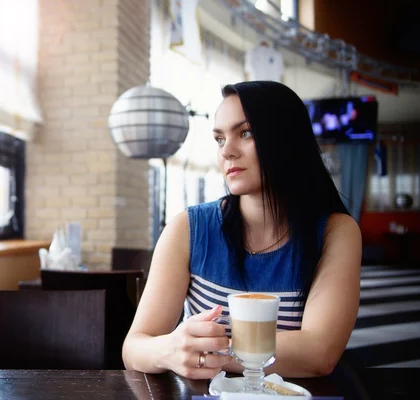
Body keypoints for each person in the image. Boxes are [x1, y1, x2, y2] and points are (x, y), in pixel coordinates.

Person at [122, 81, 362, 380]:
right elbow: (135, 347)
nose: (227, 152)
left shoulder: (335, 232)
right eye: (220, 139)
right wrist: (171, 350)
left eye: (245, 133)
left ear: (287, 139)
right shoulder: (188, 228)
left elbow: (318, 353)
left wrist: (209, 353)